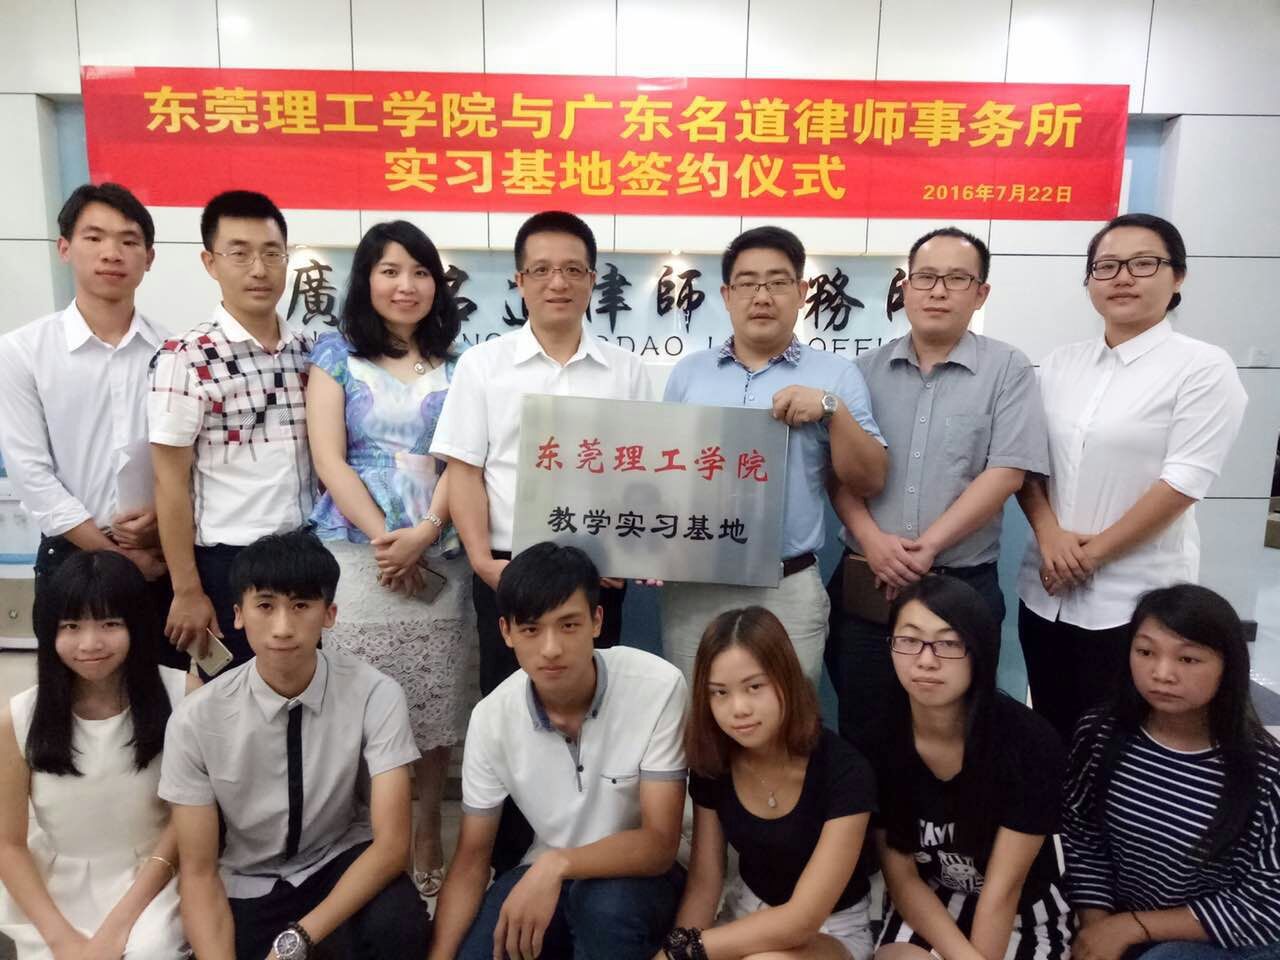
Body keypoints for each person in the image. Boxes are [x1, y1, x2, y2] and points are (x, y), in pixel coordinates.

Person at [1016, 214, 1248, 743]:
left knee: (1122, 741)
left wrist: (1089, 557)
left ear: (1178, 276)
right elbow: (1027, 463)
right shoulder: (1060, 364)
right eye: (1107, 266)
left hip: (1136, 603)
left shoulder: (1203, 368)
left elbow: (1182, 483)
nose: (1122, 278)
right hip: (1046, 589)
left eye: (1143, 264)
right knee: (1052, 730)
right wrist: (1050, 538)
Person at [828, 226, 1048, 765]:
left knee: (960, 736)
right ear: (905, 287)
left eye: (957, 278)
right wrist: (872, 541)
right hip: (868, 581)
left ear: (981, 293)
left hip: (961, 585)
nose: (939, 290)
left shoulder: (1008, 369)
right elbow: (838, 474)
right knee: (864, 727)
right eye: (926, 277)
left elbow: (1006, 472)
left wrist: (926, 547)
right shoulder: (860, 372)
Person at [159, 529, 428, 959]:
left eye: (301, 606)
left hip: (338, 863)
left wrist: (298, 939)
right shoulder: (197, 718)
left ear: (329, 614)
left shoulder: (375, 693)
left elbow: (393, 845)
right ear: (238, 615)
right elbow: (198, 871)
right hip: (248, 881)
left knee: (399, 925)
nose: (283, 628)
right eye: (265, 606)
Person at [307, 219, 473, 899]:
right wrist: (386, 539)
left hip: (440, 549)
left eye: (420, 272)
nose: (406, 285)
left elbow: (465, 460)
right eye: (390, 270)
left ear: (437, 285)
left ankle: (427, 825)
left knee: (434, 702)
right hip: (357, 554)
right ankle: (372, 832)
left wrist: (424, 534)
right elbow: (329, 459)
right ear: (366, 280)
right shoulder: (335, 355)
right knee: (360, 698)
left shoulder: (463, 364)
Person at [430, 210, 654, 698]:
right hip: (509, 566)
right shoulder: (482, 366)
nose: (558, 282)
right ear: (520, 280)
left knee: (593, 700)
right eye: (542, 269)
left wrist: (631, 554)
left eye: (573, 269)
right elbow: (464, 472)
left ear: (592, 279)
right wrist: (484, 563)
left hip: (597, 569)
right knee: (507, 699)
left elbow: (642, 473)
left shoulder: (628, 371)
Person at [428, 542, 688, 960]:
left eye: (568, 625)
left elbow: (659, 845)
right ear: (506, 632)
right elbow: (472, 860)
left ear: (596, 621)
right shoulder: (492, 718)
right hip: (545, 869)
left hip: (638, 877)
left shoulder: (658, 686)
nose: (550, 649)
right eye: (531, 630)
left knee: (604, 909)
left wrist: (557, 864)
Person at [660, 225, 887, 688]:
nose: (762, 296)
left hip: (788, 585)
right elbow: (667, 475)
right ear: (726, 295)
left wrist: (831, 410)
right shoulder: (688, 374)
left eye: (778, 282)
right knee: (696, 713)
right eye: (747, 283)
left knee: (790, 717)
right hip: (695, 584)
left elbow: (869, 479)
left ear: (802, 292)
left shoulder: (836, 376)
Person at [0, 182, 184, 669]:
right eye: (94, 237)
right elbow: (31, 474)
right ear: (64, 248)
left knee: (166, 689)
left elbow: (193, 459)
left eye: (128, 241)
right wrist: (115, 555)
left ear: (149, 257)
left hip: (160, 555)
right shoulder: (22, 352)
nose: (111, 253)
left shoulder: (176, 352)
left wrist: (162, 527)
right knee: (71, 696)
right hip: (71, 555)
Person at [1062, 584, 1280, 960]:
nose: (1162, 674)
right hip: (1123, 922)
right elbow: (1082, 837)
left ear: (1228, 666)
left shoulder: (1265, 771)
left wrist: (1131, 927)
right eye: (1146, 652)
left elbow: (1265, 907)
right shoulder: (1100, 734)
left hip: (1223, 939)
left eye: (1188, 659)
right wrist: (1096, 927)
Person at [149, 190, 316, 672]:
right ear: (210, 262)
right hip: (229, 563)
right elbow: (169, 481)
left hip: (307, 553)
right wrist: (187, 589)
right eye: (239, 253)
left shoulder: (310, 349)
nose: (259, 269)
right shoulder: (185, 357)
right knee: (232, 698)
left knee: (307, 691)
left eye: (271, 253)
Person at [0, 551, 195, 957]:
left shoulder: (184, 696)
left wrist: (118, 927)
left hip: (154, 882)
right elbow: (9, 846)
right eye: (71, 626)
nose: (90, 644)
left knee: (150, 952)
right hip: (54, 892)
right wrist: (63, 941)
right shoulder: (18, 717)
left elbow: (187, 822)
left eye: (110, 624)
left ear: (136, 625)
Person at [662, 606, 877, 960]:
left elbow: (802, 920)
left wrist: (688, 950)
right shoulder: (715, 763)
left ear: (786, 679)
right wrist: (678, 947)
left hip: (830, 928)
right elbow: (705, 883)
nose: (739, 708)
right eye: (720, 693)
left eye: (754, 687)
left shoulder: (844, 771)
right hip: (746, 914)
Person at [875, 576, 1072, 960]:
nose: (926, 660)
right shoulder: (879, 739)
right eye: (909, 640)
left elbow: (1004, 890)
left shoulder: (1030, 743)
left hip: (1023, 908)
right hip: (931, 902)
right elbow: (903, 879)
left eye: (948, 643)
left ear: (979, 651)